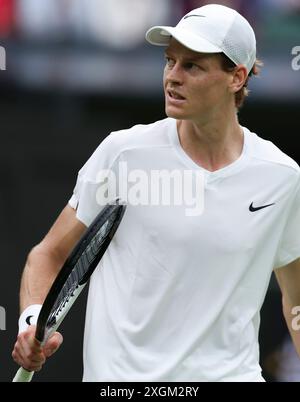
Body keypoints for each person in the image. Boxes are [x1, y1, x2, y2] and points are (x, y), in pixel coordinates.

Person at [12, 4, 300, 382]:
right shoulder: (123, 154)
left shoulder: (281, 176)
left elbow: (295, 298)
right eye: (169, 61)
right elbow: (47, 255)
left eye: (191, 66)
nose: (172, 77)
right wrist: (31, 321)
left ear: (236, 77)